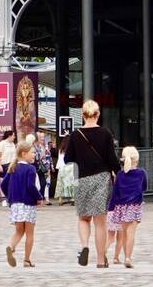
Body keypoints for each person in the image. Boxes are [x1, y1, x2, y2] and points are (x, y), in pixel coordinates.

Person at [68, 99, 120, 267]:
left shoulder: (75, 135)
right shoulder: (105, 133)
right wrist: (118, 173)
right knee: (100, 222)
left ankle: (84, 246)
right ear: (98, 114)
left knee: (83, 218)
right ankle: (100, 260)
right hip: (101, 178)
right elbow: (112, 158)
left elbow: (68, 158)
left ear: (82, 115)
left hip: (82, 179)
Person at [4, 134, 41, 267]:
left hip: (16, 205)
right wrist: (39, 197)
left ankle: (11, 246)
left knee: (19, 231)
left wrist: (10, 198)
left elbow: (3, 185)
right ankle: (27, 260)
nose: (34, 155)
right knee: (30, 233)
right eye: (32, 153)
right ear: (24, 154)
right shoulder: (30, 169)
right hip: (29, 204)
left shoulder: (12, 168)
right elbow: (31, 186)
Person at [109, 145, 147, 267]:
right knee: (131, 232)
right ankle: (128, 258)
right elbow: (144, 187)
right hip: (135, 205)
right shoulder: (141, 173)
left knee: (124, 233)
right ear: (136, 159)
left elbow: (116, 191)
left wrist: (112, 208)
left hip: (121, 206)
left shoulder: (120, 175)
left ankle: (125, 256)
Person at [0, 130, 17, 208]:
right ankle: (4, 199)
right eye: (13, 135)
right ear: (9, 136)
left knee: (12, 182)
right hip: (3, 164)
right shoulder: (2, 144)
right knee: (3, 181)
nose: (14, 137)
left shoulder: (13, 144)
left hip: (12, 165)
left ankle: (11, 198)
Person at [55, 134, 77, 204]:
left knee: (61, 183)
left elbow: (59, 159)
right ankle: (73, 198)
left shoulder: (61, 149)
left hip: (62, 167)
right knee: (72, 183)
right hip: (71, 167)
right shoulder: (72, 148)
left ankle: (60, 199)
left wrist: (58, 168)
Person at [35, 131, 54, 207]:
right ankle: (40, 199)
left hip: (45, 168)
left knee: (45, 183)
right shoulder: (36, 147)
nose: (42, 140)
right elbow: (38, 158)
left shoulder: (45, 147)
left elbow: (49, 158)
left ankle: (43, 199)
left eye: (43, 138)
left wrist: (50, 167)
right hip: (39, 167)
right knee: (39, 184)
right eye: (41, 138)